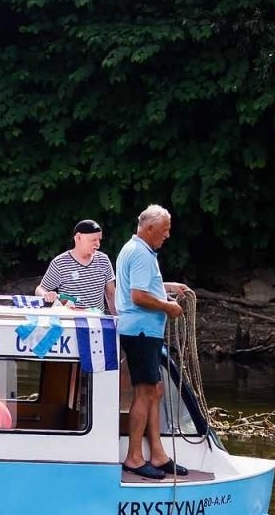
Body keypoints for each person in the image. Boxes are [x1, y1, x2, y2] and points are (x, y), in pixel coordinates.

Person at [115, 205, 193, 480]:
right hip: (140, 331)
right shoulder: (140, 254)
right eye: (165, 229)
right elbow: (137, 296)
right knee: (145, 391)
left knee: (155, 389)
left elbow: (142, 287)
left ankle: (157, 453)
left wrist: (168, 287)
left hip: (143, 331)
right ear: (150, 229)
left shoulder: (137, 250)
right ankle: (134, 457)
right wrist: (168, 307)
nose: (167, 235)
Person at [35, 219, 115, 312]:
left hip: (97, 322)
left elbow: (111, 294)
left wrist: (117, 319)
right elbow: (40, 289)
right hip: (70, 322)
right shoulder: (60, 263)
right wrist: (45, 294)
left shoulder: (103, 260)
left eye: (99, 240)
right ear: (78, 238)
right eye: (93, 240)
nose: (98, 244)